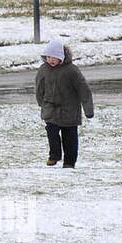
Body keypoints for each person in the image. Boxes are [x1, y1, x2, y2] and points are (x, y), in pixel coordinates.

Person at [36, 38, 95, 169]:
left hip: (70, 111)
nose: (50, 60)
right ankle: (54, 155)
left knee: (70, 138)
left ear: (61, 57)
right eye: (48, 57)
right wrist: (42, 103)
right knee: (51, 132)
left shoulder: (71, 70)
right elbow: (39, 87)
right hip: (51, 109)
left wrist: (88, 110)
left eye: (54, 57)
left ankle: (69, 162)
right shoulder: (43, 69)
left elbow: (84, 90)